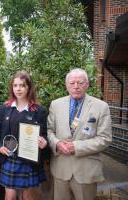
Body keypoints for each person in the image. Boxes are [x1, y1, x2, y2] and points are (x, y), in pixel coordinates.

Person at [47, 68, 112, 200]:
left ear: (87, 84)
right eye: (72, 83)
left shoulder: (101, 106)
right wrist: (57, 143)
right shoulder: (56, 104)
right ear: (66, 85)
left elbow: (105, 138)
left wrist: (76, 147)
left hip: (86, 171)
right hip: (61, 169)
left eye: (80, 83)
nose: (76, 86)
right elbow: (49, 131)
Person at [0, 71, 49, 200]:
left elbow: (44, 134)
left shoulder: (38, 110)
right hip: (9, 157)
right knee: (10, 197)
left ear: (28, 87)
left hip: (28, 159)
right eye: (15, 85)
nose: (18, 89)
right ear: (12, 88)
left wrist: (44, 142)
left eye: (22, 85)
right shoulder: (5, 108)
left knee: (28, 196)